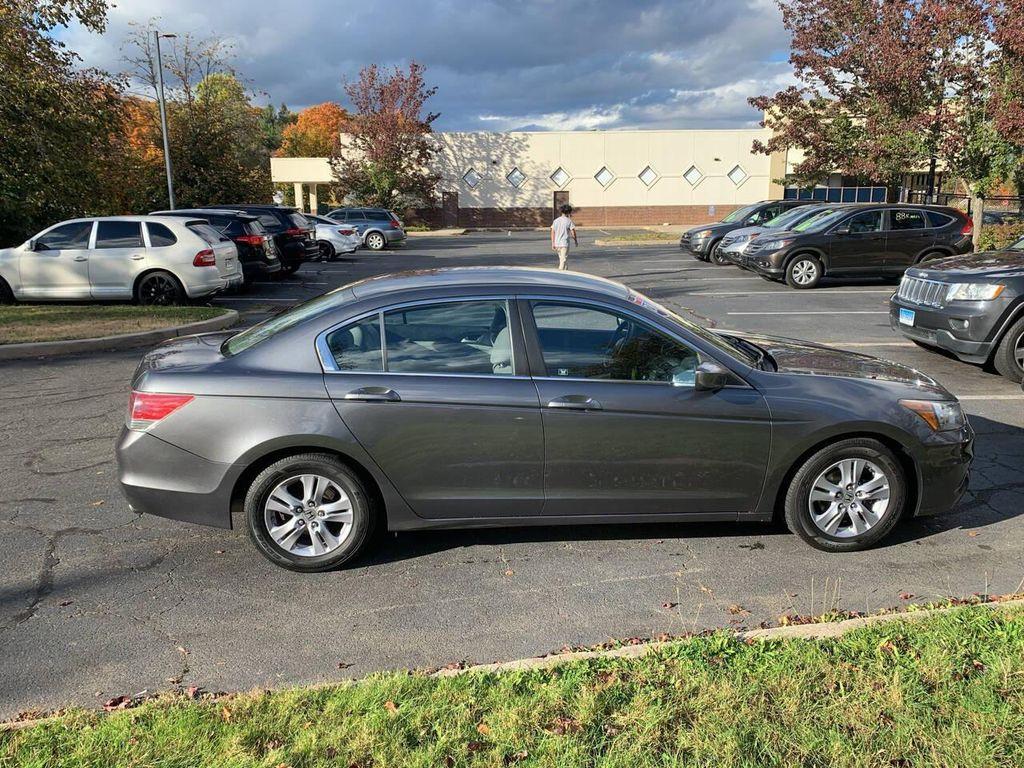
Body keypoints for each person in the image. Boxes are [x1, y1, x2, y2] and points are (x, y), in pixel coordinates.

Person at [550, 204, 578, 270]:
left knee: (563, 259)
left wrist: (553, 243)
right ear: (569, 212)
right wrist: (575, 240)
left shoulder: (556, 221)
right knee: (563, 260)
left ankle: (566, 272)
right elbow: (573, 232)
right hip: (564, 244)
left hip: (557, 243)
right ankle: (559, 275)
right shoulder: (568, 221)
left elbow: (552, 232)